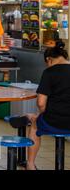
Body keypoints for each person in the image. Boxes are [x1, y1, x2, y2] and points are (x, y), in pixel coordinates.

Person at [6, 42, 70, 170]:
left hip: (54, 121)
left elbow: (41, 103)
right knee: (38, 118)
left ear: (49, 59)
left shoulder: (49, 72)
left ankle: (30, 164)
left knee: (35, 124)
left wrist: (43, 113)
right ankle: (29, 117)